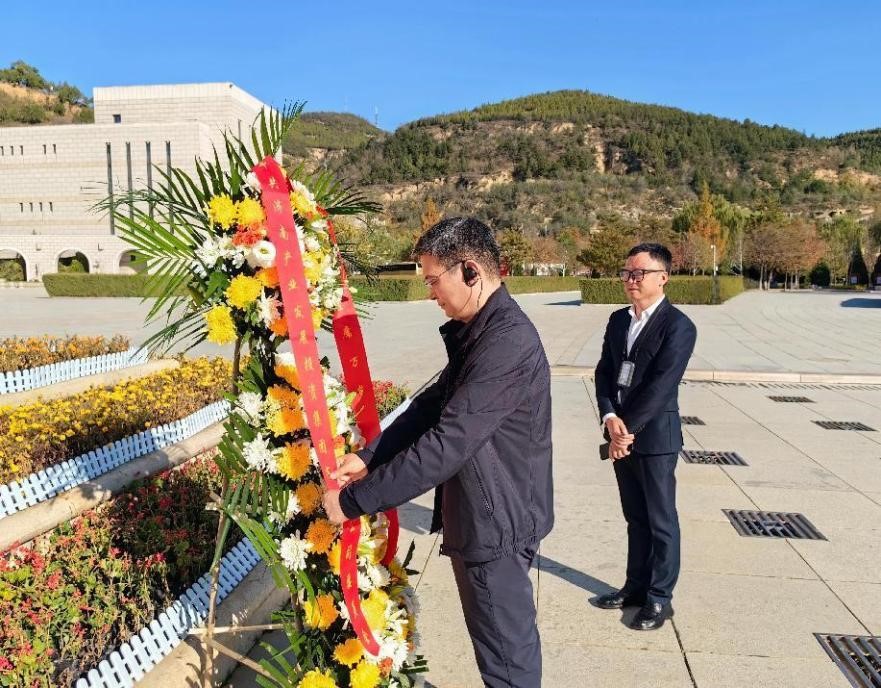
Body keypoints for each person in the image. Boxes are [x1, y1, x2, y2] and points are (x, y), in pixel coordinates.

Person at [323, 217, 554, 688]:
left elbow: (447, 443)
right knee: (504, 649)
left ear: (470, 270)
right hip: (496, 509)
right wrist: (369, 457)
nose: (430, 293)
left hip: (496, 522)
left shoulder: (506, 341)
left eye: (433, 280)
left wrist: (351, 502)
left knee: (508, 661)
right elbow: (432, 404)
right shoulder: (483, 330)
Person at [591, 242, 697, 631]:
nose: (631, 279)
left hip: (654, 439)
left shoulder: (679, 326)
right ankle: (634, 588)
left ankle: (658, 598)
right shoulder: (618, 320)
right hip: (620, 431)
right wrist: (609, 417)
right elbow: (604, 372)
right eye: (627, 273)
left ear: (663, 277)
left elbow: (661, 386)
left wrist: (626, 431)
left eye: (639, 273)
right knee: (635, 517)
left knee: (660, 520)